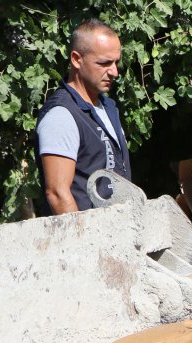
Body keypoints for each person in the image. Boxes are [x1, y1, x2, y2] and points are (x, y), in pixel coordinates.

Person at [36, 18, 130, 215]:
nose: (114, 72)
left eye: (116, 62)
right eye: (104, 63)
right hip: (87, 240)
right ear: (76, 59)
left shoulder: (108, 107)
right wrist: (84, 243)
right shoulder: (61, 115)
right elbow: (57, 193)